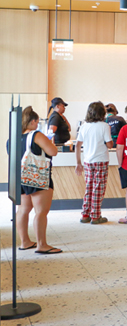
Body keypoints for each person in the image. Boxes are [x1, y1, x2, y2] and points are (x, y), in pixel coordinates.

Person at [12, 107, 61, 254]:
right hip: (37, 177)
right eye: (37, 122)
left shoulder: (14, 137)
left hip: (20, 177)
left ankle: (24, 242)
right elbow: (53, 151)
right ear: (33, 121)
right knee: (41, 212)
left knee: (22, 210)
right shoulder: (36, 135)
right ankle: (42, 244)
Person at [75, 102, 113, 225]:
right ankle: (96, 216)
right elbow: (110, 144)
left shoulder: (84, 126)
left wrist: (78, 163)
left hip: (87, 161)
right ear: (102, 113)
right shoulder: (104, 126)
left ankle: (85, 214)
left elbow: (78, 145)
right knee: (98, 188)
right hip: (101, 160)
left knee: (89, 187)